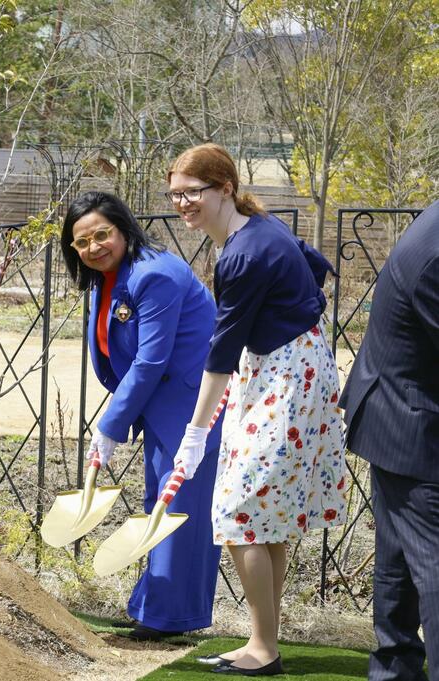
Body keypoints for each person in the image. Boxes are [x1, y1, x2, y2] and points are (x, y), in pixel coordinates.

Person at [168, 144, 347, 675]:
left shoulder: (243, 254)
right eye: (175, 194)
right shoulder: (260, 225)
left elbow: (221, 350)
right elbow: (319, 268)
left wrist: (195, 433)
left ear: (224, 187)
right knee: (264, 515)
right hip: (297, 365)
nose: (183, 203)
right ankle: (262, 640)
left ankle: (263, 648)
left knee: (239, 510)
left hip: (285, 376)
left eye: (192, 192)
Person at [60, 191, 223, 641]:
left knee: (180, 512)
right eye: (82, 242)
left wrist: (110, 425)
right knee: (159, 507)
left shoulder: (157, 276)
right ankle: (153, 606)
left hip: (193, 409)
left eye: (102, 235)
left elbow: (150, 361)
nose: (94, 247)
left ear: (124, 229)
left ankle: (167, 618)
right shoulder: (108, 277)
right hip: (160, 406)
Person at [340, 200, 439, 681]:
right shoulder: (437, 254)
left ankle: (394, 671)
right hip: (408, 420)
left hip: (397, 409)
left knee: (400, 555)